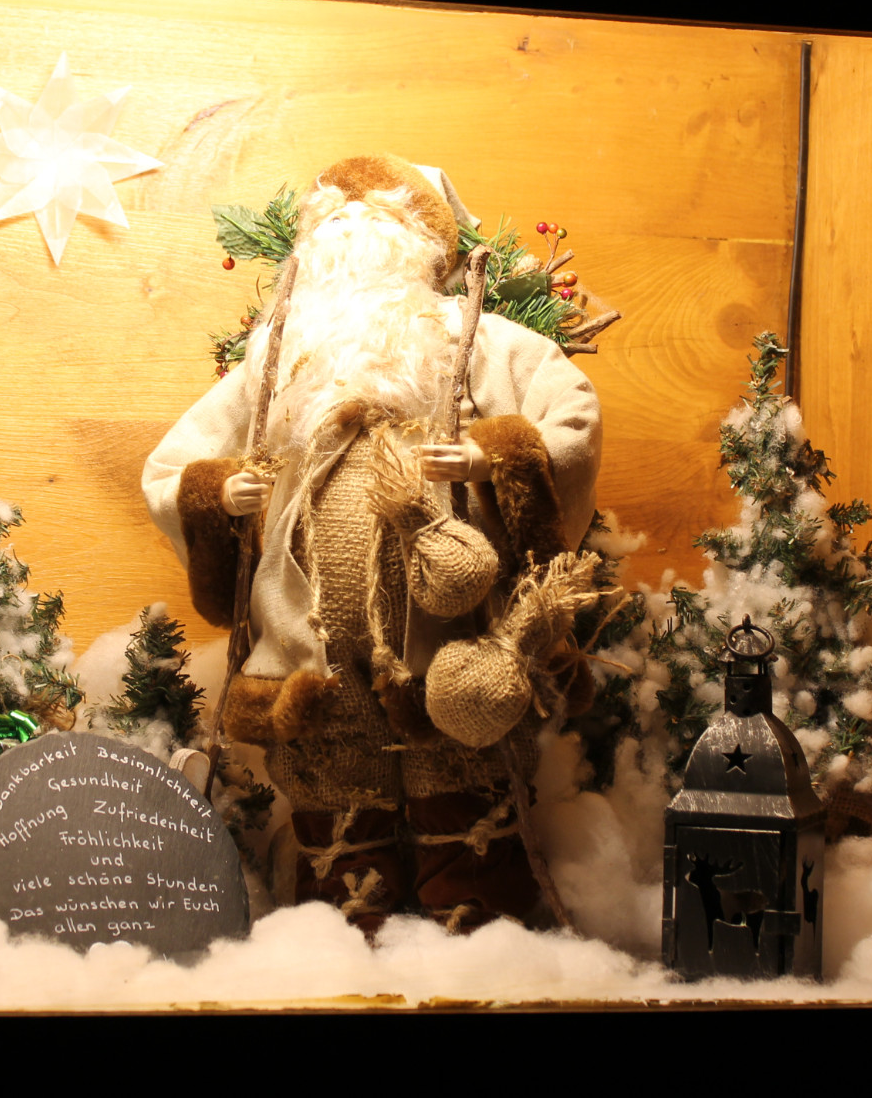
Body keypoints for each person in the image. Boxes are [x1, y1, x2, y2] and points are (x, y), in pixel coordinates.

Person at [143, 153, 601, 932]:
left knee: (459, 761)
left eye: (376, 213)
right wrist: (219, 493)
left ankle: (476, 919)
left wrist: (492, 454)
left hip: (446, 629)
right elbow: (172, 463)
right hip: (307, 633)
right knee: (331, 773)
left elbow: (574, 419)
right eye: (333, 216)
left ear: (425, 244)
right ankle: (344, 925)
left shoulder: (477, 340)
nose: (351, 225)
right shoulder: (279, 353)